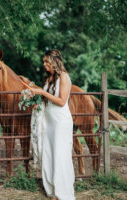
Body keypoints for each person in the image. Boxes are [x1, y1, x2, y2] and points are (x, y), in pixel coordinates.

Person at [32, 49, 76, 200]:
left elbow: (62, 101)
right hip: (49, 123)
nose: (44, 64)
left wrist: (42, 93)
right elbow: (48, 100)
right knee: (49, 153)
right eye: (43, 61)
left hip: (61, 122)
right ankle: (52, 189)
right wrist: (37, 102)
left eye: (46, 61)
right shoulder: (48, 78)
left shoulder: (64, 77)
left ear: (55, 61)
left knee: (60, 155)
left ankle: (63, 192)